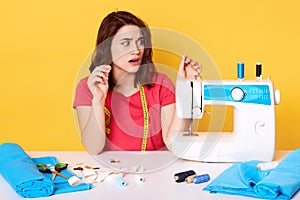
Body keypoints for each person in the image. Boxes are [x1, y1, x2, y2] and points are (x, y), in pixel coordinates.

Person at [73, 11, 201, 155]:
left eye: (140, 42)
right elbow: (93, 148)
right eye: (126, 43)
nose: (136, 50)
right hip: (111, 173)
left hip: (156, 169)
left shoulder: (161, 83)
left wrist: (186, 89)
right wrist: (98, 100)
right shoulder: (86, 87)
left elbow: (174, 144)